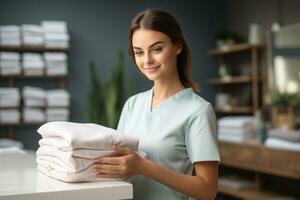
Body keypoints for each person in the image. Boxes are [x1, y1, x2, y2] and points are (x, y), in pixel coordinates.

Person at [93, 8, 220, 200]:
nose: (147, 60)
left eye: (157, 49)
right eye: (139, 52)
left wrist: (144, 167)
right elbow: (118, 163)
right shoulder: (132, 104)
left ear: (177, 46)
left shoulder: (198, 111)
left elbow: (208, 190)